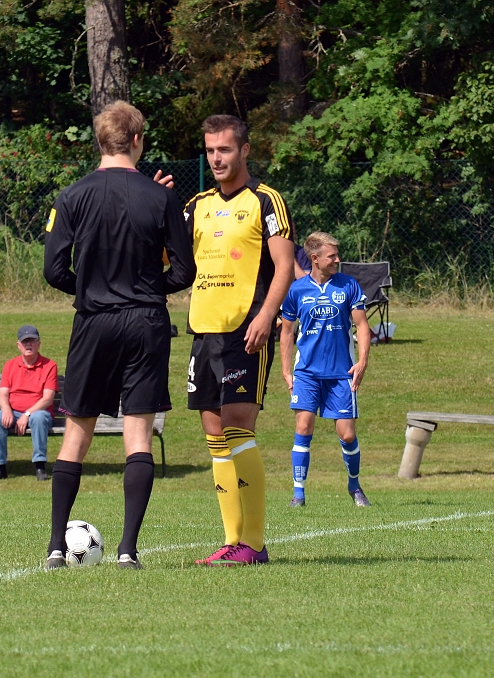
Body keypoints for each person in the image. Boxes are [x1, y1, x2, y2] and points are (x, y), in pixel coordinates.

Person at [42, 101, 196, 569]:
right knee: (139, 436)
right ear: (136, 140)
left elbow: (53, 270)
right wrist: (150, 290)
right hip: (145, 322)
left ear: (100, 142)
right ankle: (128, 550)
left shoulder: (71, 196)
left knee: (76, 434)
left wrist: (88, 291)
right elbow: (186, 269)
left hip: (93, 321)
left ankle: (54, 547)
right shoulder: (161, 197)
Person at [184, 114, 295, 567]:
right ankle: (233, 542)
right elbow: (168, 255)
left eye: (224, 150)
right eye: (210, 150)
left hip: (246, 330)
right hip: (203, 329)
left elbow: (285, 265)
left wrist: (267, 316)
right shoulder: (196, 205)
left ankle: (254, 541)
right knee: (214, 432)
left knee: (237, 426)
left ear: (244, 150)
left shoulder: (266, 201)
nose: (216, 158)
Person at [280, 231, 372, 508]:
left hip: (341, 373)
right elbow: (286, 332)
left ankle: (354, 486)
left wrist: (363, 360)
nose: (337, 260)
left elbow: (363, 326)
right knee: (304, 427)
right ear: (315, 258)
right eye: (332, 256)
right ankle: (299, 494)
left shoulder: (348, 286)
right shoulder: (297, 289)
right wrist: (287, 370)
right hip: (307, 372)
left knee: (347, 434)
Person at [0, 325, 59, 481]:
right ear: (18, 345)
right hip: (13, 411)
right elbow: (3, 394)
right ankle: (0, 467)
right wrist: (6, 410)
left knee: (38, 418)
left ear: (39, 343)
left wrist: (27, 414)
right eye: (25, 341)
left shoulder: (49, 365)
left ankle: (40, 466)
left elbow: (47, 398)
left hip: (39, 412)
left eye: (32, 341)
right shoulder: (10, 365)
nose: (29, 345)